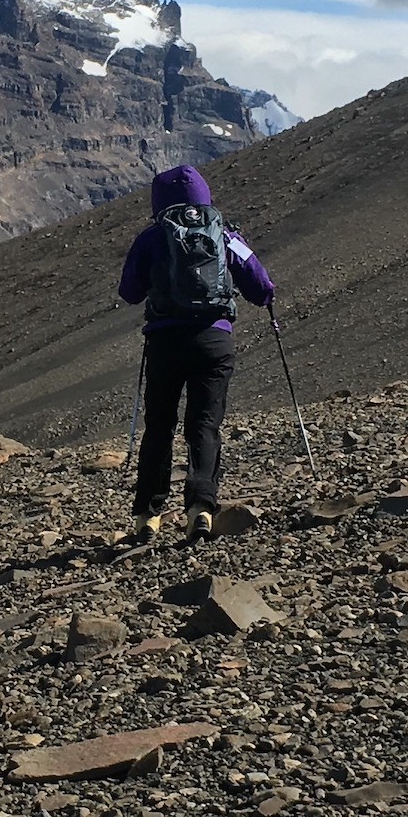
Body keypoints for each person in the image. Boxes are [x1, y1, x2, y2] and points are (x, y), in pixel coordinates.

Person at [116, 165, 276, 540]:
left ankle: (147, 517)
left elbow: (129, 292)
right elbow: (261, 285)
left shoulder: (151, 238)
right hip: (213, 342)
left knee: (159, 427)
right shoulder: (224, 235)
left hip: (165, 343)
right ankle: (201, 509)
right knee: (204, 425)